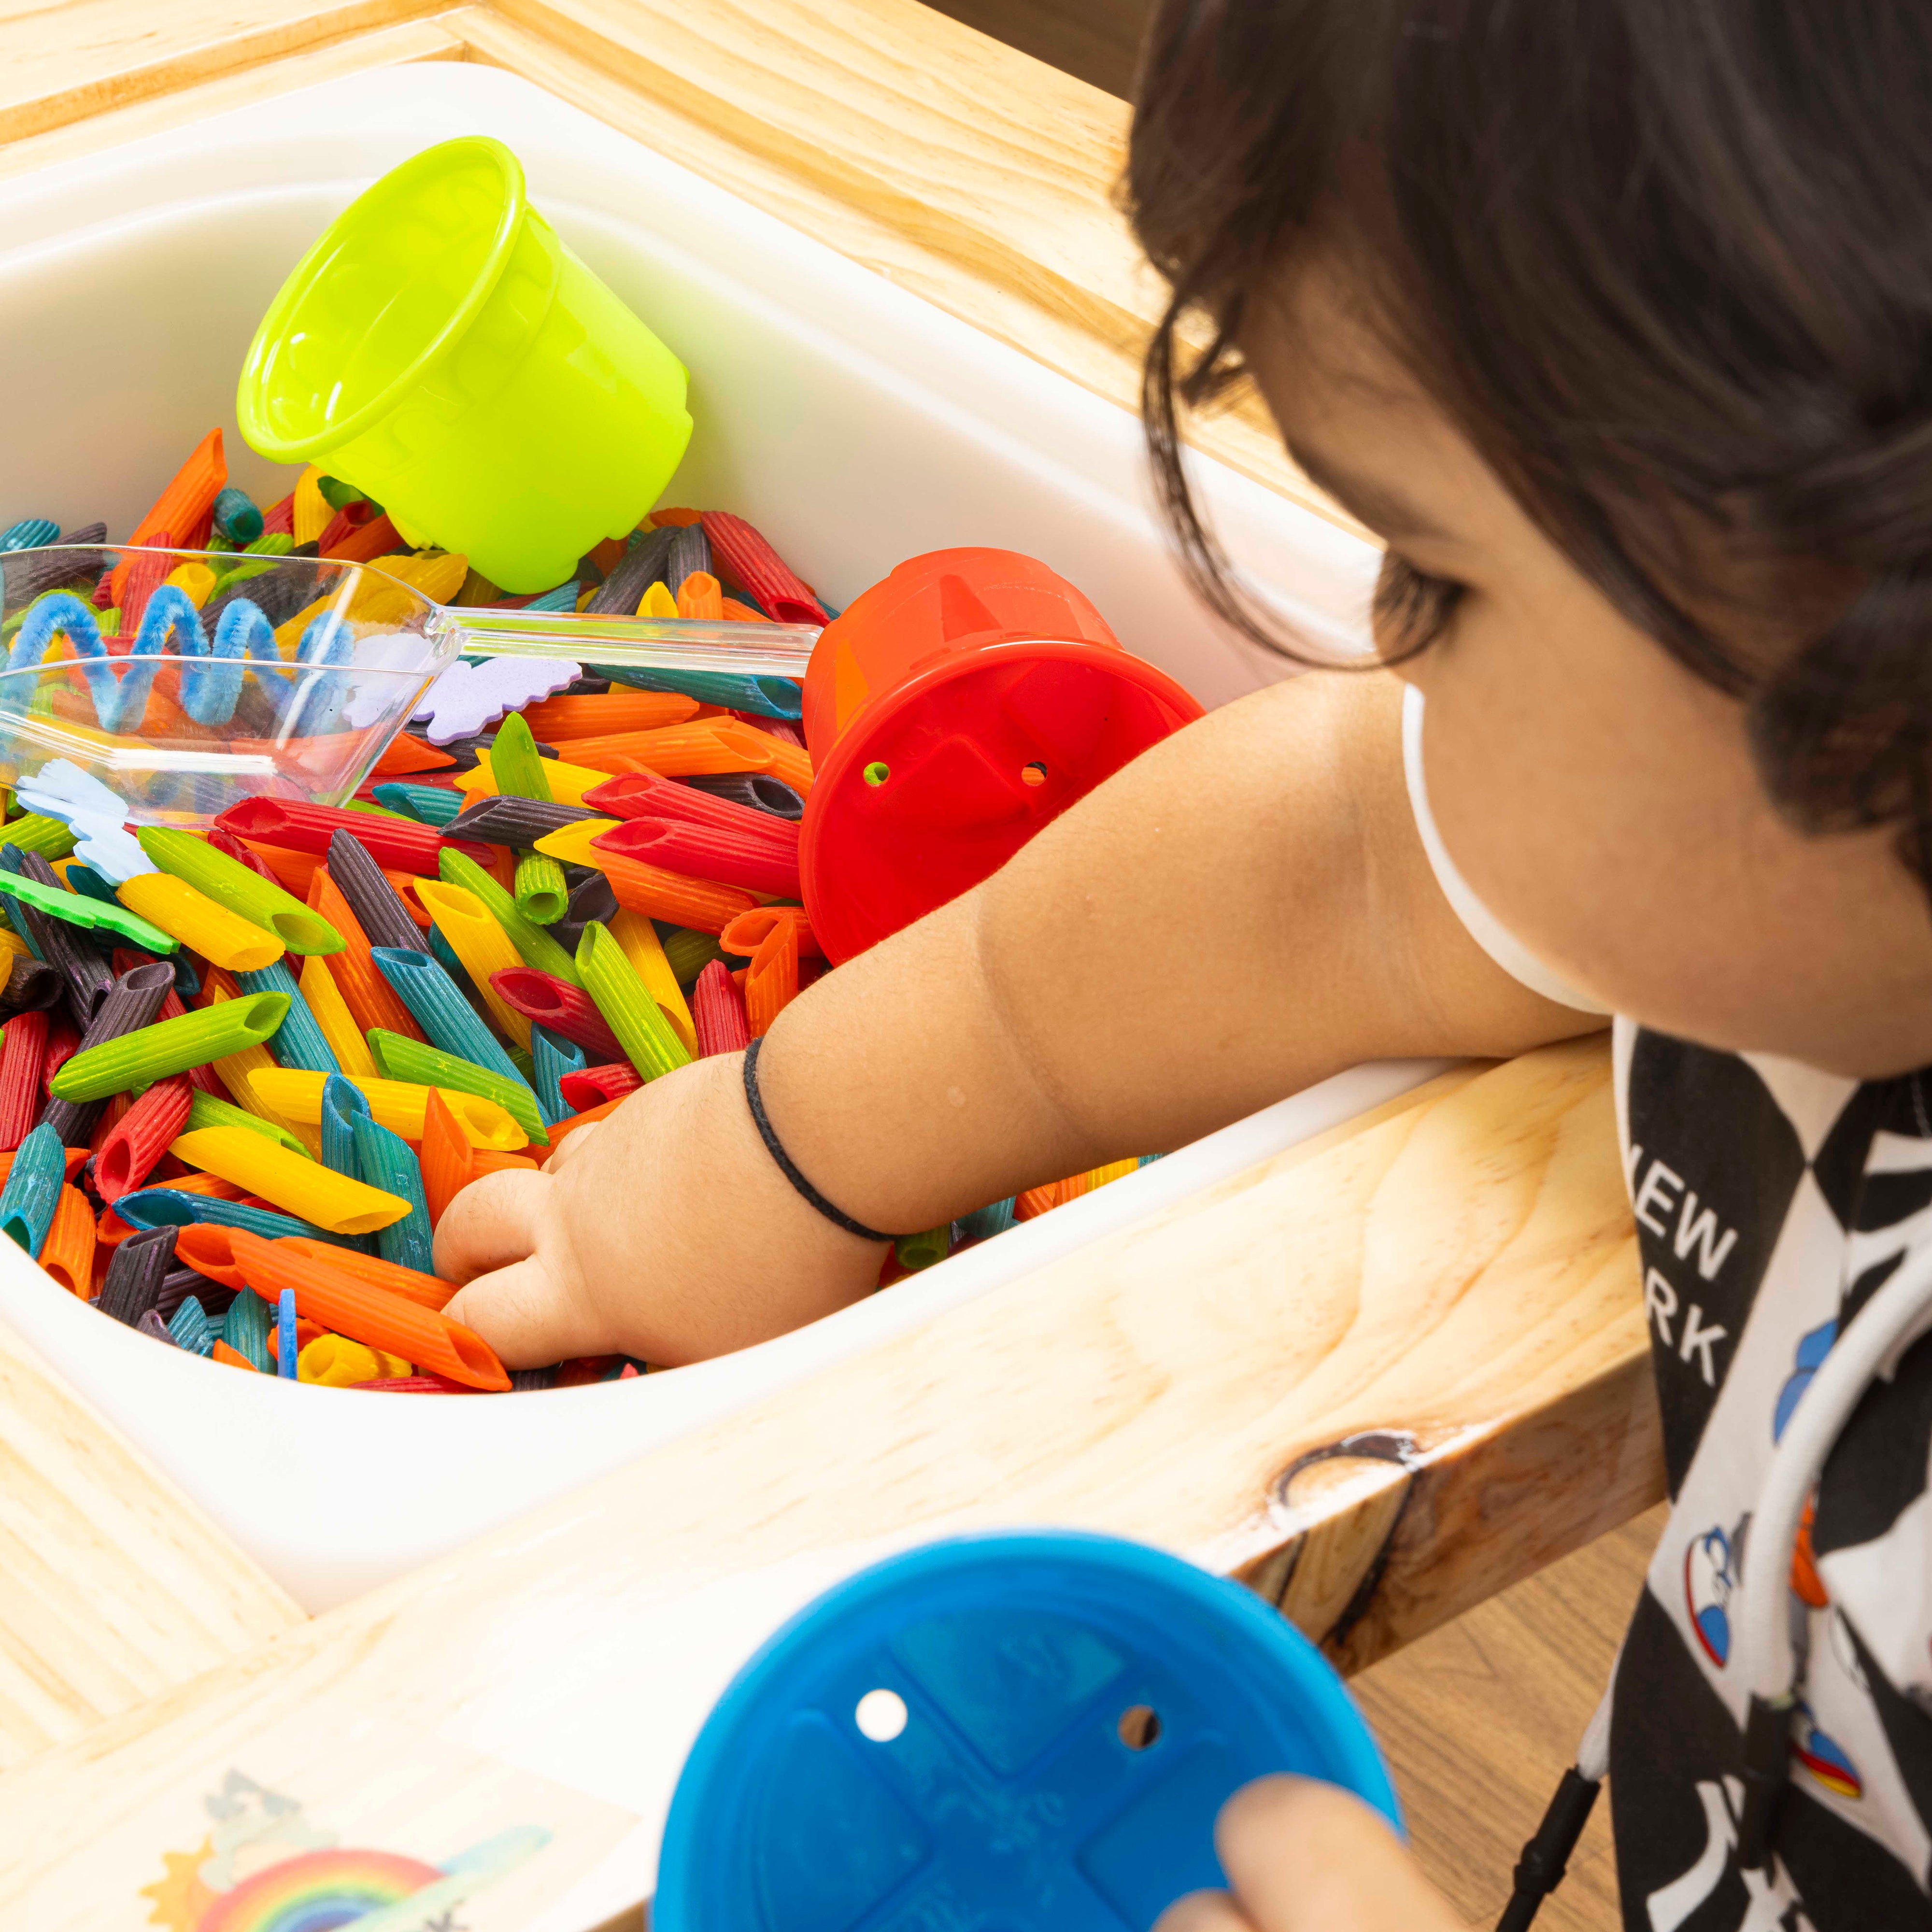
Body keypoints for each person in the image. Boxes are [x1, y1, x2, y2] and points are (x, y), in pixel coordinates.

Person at [438, 1, 1932, 1924]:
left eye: (1434, 573)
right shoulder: (1779, 853)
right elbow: (1341, 857)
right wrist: (786, 1142)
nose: (1389, 656)